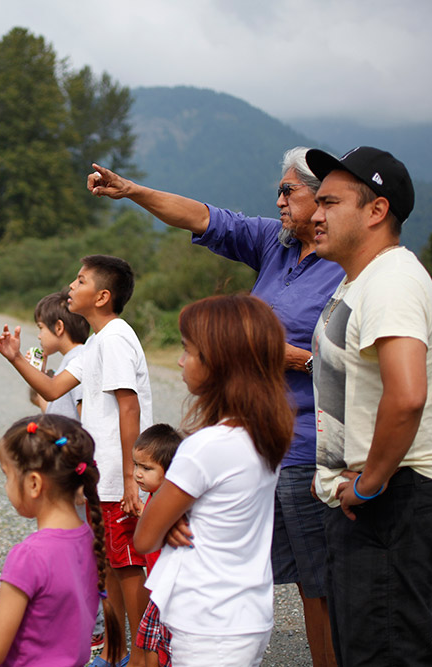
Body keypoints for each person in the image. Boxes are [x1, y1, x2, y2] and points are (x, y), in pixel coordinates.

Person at [88, 151, 341, 666]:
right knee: (229, 553)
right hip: (255, 436)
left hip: (303, 448)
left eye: (288, 192)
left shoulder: (346, 264)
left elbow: (356, 360)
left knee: (319, 587)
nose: (279, 201)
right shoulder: (277, 242)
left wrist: (294, 357)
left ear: (323, 199)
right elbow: (205, 217)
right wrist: (132, 190)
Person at [305, 146, 432, 666]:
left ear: (376, 211)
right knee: (364, 651)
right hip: (367, 499)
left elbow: (408, 394)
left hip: (389, 498)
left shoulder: (391, 280)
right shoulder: (360, 281)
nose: (315, 215)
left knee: (386, 655)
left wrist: (369, 483)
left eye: (329, 203)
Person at [0, 254, 153, 667]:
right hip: (109, 479)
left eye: (79, 280)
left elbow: (129, 408)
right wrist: (15, 359)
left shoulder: (116, 336)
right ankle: (118, 652)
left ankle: (144, 656)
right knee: (114, 565)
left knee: (129, 567)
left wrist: (132, 478)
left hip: (121, 479)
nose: (71, 285)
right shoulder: (96, 342)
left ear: (101, 296)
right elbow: (51, 386)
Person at [134, 294, 293, 667]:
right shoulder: (264, 434)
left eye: (188, 351)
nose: (180, 360)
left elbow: (144, 537)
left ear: (219, 364)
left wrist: (166, 518)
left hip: (207, 621)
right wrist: (172, 517)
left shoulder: (206, 447)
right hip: (245, 614)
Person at [0, 415, 123, 667]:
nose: (5, 485)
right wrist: (8, 594)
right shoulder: (88, 538)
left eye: (7, 475)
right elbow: (50, 615)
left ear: (34, 483)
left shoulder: (28, 555)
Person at [132, 424, 183, 667]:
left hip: (171, 594)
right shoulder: (153, 498)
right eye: (136, 466)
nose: (137, 474)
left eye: (146, 468)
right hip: (157, 590)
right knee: (150, 641)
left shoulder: (170, 505)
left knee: (159, 644)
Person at [27, 289, 90, 419]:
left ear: (58, 327)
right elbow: (52, 414)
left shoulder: (79, 361)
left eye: (41, 328)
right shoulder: (70, 359)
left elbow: (86, 420)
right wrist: (39, 373)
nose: (39, 336)